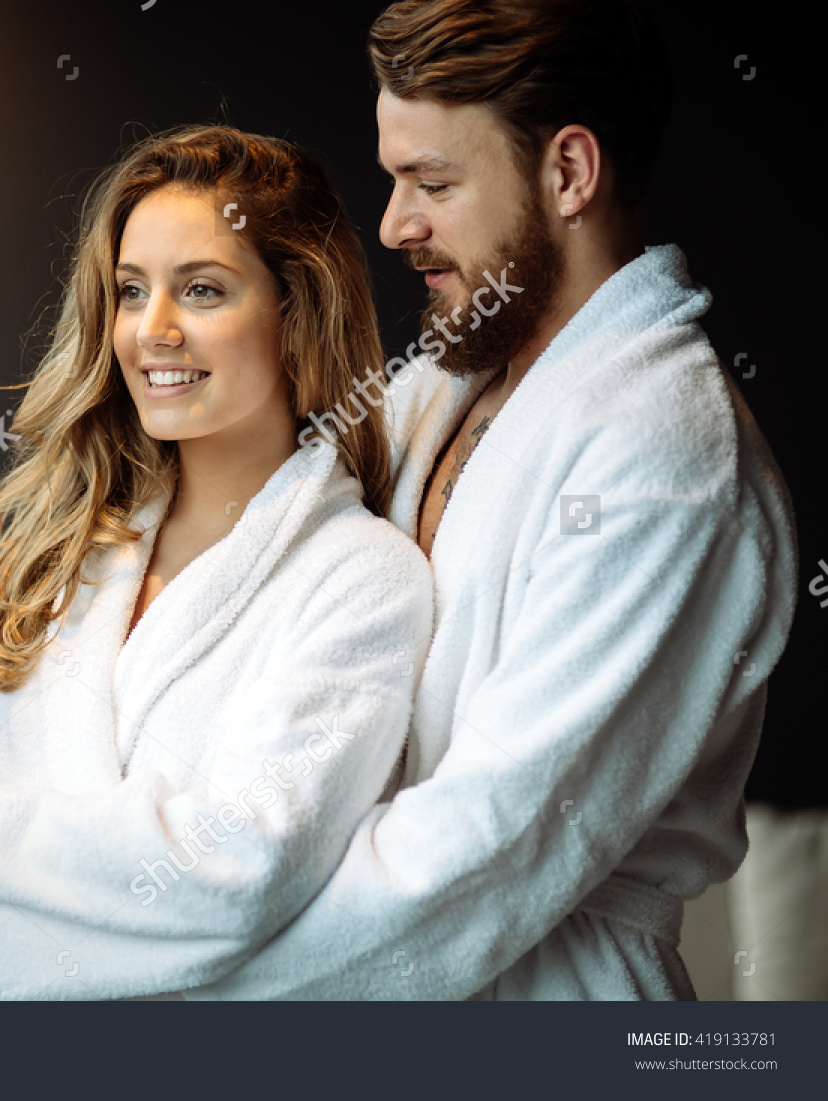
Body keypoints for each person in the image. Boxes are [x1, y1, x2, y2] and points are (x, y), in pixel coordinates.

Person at [167, 0, 798, 999]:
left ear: (569, 173)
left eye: (433, 183)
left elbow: (490, 850)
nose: (393, 226)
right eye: (392, 179)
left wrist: (174, 975)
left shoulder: (667, 455)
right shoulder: (433, 391)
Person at [0, 125, 434, 998]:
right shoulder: (57, 552)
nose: (151, 331)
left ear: (297, 311)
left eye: (201, 289)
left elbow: (235, 869)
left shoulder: (361, 580)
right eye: (130, 291)